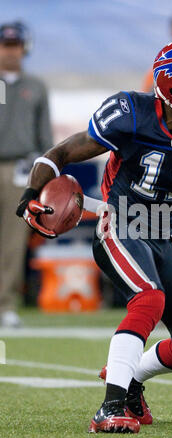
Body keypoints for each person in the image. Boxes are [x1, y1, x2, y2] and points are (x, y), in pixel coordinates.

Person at [16, 39, 172, 434]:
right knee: (148, 300)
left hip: (162, 233)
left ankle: (131, 379)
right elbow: (61, 153)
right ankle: (109, 407)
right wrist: (29, 195)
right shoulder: (131, 112)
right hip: (118, 222)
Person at [0, 22, 53, 327]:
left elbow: (44, 136)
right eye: (5, 45)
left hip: (20, 168)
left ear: (24, 48)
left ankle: (7, 304)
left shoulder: (36, 86)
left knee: (12, 242)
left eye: (14, 45)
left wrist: (43, 172)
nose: (10, 51)